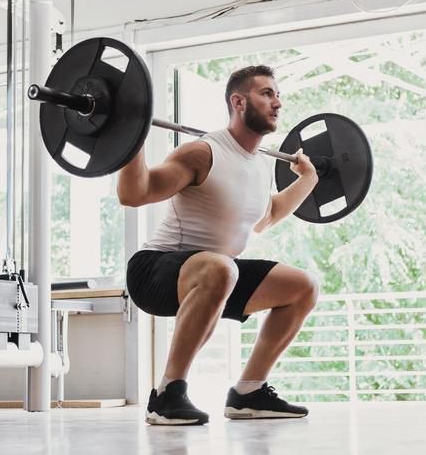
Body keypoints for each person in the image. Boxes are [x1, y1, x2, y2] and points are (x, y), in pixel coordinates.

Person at [118, 65, 320, 426]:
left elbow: (267, 215)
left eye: (277, 94)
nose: (278, 103)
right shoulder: (203, 152)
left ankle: (248, 393)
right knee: (222, 267)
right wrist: (131, 136)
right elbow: (136, 193)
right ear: (239, 101)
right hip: (155, 271)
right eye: (267, 94)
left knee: (302, 286)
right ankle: (167, 394)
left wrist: (309, 179)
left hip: (216, 273)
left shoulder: (258, 164)